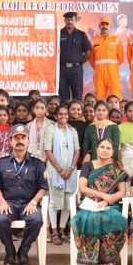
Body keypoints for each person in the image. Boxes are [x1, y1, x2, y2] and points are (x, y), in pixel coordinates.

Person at [0, 124, 48, 265]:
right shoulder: (1, 163)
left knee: (35, 220)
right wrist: (2, 203)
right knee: (0, 220)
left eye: (23, 138)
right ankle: (10, 251)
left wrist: (33, 202)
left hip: (29, 203)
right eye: (16, 138)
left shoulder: (38, 163)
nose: (20, 141)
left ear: (28, 141)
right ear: (11, 141)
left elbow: (43, 188)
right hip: (8, 203)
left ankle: (23, 251)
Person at [72, 137, 128, 265]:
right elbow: (83, 188)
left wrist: (107, 201)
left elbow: (121, 192)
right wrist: (102, 195)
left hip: (110, 204)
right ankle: (90, 260)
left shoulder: (117, 168)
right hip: (90, 203)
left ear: (113, 151)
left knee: (111, 218)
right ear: (96, 149)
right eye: (102, 147)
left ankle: (106, 259)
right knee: (89, 218)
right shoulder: (87, 165)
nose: (105, 150)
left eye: (108, 148)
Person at [44, 104, 77, 245]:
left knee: (67, 201)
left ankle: (63, 230)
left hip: (70, 171)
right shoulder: (51, 129)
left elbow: (77, 150)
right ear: (56, 116)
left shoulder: (72, 130)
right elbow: (48, 150)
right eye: (61, 114)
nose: (64, 117)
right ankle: (54, 230)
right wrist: (59, 170)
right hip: (54, 171)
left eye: (66, 114)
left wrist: (70, 169)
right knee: (53, 200)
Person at [58, 11, 92, 103]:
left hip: (76, 70)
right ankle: (63, 116)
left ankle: (77, 116)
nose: (70, 22)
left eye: (72, 20)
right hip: (62, 70)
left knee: (77, 97)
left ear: (75, 21)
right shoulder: (59, 33)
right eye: (68, 20)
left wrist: (79, 63)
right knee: (63, 98)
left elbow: (88, 52)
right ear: (64, 21)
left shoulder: (81, 34)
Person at [89, 16, 124, 100]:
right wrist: (98, 68)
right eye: (102, 24)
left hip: (113, 74)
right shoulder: (93, 41)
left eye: (106, 24)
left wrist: (113, 67)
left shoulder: (116, 40)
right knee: (100, 98)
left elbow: (121, 57)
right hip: (99, 74)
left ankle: (116, 113)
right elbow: (91, 58)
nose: (104, 26)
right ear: (99, 26)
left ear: (110, 26)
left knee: (116, 97)